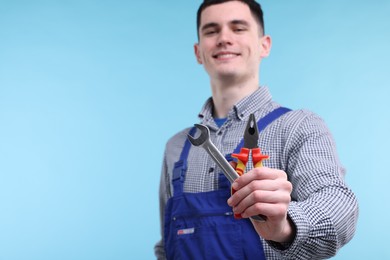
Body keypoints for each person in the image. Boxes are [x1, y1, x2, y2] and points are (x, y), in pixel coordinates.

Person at [155, 0, 358, 259]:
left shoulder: (298, 126)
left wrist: (284, 227)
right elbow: (167, 245)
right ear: (198, 52)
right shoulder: (176, 146)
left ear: (264, 45)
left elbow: (338, 207)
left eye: (238, 28)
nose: (224, 38)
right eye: (211, 31)